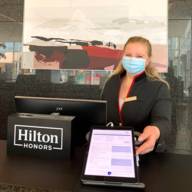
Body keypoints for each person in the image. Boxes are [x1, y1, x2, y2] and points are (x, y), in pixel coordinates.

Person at [101, 36, 171, 155]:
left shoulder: (159, 87)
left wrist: (155, 130)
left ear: (148, 60)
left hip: (143, 154)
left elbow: (163, 121)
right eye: (128, 55)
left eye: (139, 56)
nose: (133, 60)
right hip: (112, 150)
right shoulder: (111, 82)